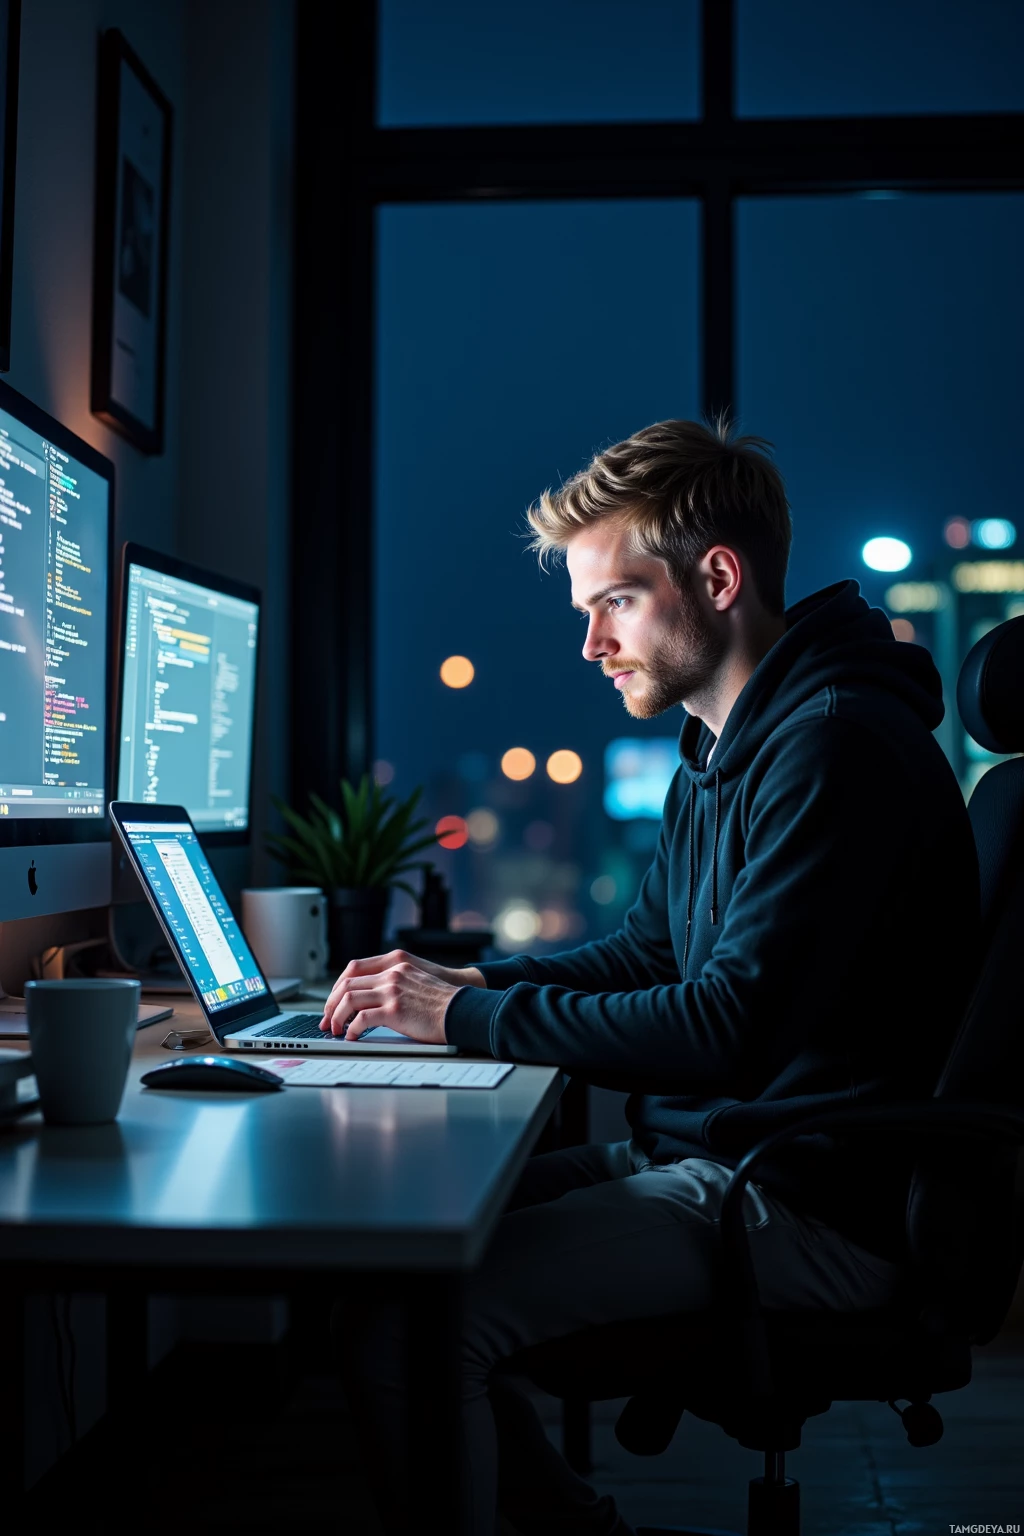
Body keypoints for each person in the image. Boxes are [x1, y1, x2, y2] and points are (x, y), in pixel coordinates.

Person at [320, 418, 980, 1535]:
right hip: (732, 1153)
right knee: (389, 1253)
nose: (590, 644)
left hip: (807, 1196)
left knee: (418, 1326)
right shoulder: (724, 743)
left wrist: (471, 1018)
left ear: (716, 578)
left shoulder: (831, 745)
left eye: (612, 602)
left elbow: (727, 1026)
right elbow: (650, 956)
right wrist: (447, 983)